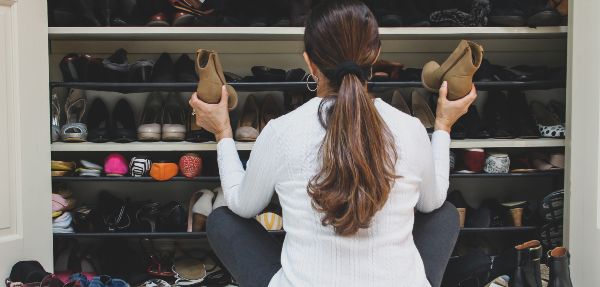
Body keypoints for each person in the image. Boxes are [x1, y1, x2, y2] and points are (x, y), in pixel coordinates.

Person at [189, 1, 477, 286]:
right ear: (375, 55)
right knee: (445, 214)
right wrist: (443, 125)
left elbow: (242, 205)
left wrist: (222, 131)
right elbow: (432, 202)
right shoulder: (410, 128)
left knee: (221, 220)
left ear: (309, 62)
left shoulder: (281, 131)